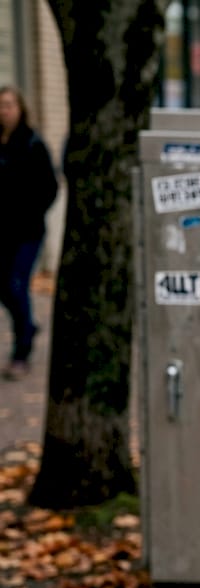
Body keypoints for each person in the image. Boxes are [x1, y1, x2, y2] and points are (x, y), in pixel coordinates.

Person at [0, 86, 58, 381]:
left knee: (15, 283)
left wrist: (32, 211)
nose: (4, 110)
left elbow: (50, 186)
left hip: (28, 231)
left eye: (9, 105)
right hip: (2, 233)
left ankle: (22, 349)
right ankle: (27, 327)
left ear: (20, 108)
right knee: (5, 288)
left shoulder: (32, 144)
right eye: (1, 106)